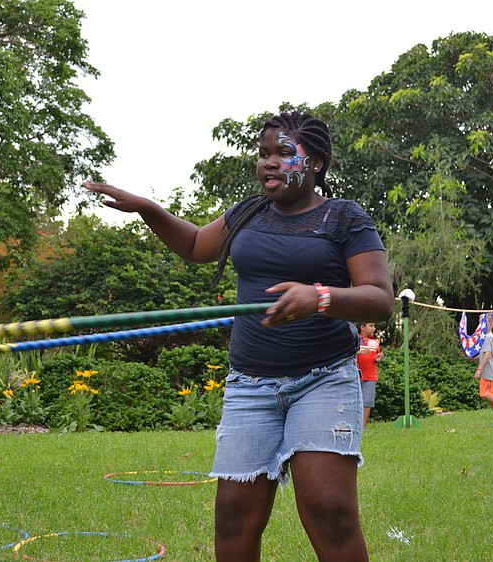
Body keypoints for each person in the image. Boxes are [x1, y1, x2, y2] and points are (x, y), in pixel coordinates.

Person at [85, 112, 394, 562]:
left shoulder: (344, 217)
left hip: (322, 380)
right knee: (233, 516)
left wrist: (320, 297)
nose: (269, 162)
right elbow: (194, 246)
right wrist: (148, 208)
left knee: (330, 511)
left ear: (318, 164)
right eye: (263, 153)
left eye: (284, 153)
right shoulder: (247, 213)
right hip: (251, 385)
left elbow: (379, 298)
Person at [356, 322, 383, 427]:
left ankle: (363, 426)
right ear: (362, 327)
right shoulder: (355, 339)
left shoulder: (375, 342)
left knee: (367, 402)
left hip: (370, 376)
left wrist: (378, 358)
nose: (374, 328)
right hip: (356, 376)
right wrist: (359, 352)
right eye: (371, 326)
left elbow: (376, 357)